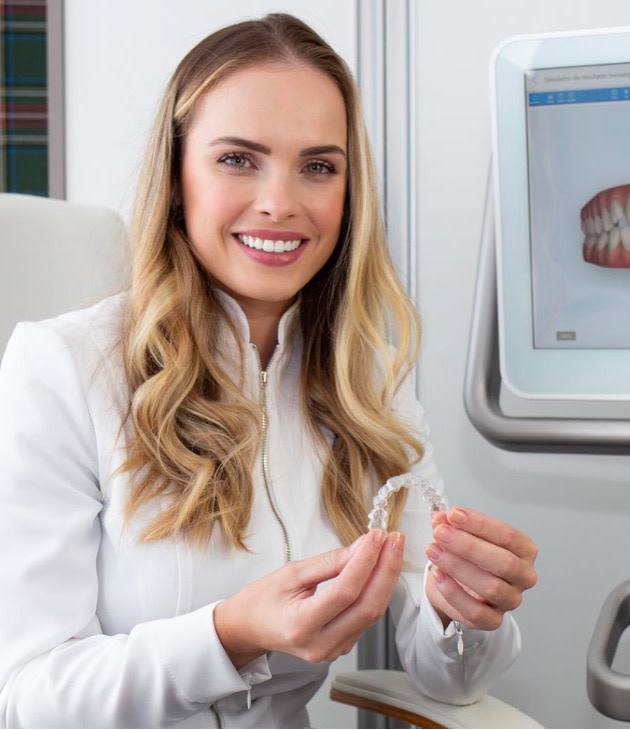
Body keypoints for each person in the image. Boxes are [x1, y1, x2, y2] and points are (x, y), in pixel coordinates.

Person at [0, 13, 537, 728]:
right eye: (238, 159)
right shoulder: (63, 370)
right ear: (176, 177)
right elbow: (30, 698)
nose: (281, 202)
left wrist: (464, 612)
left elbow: (447, 681)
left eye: (318, 166)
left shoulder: (367, 381)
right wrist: (228, 634)